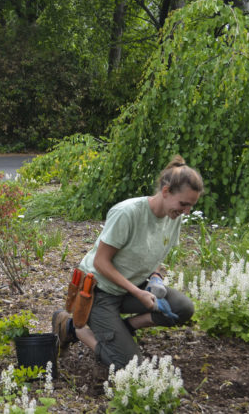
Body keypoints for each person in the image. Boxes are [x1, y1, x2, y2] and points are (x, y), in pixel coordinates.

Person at [52, 155, 204, 370]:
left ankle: (121, 329)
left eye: (191, 206)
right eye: (183, 204)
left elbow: (156, 257)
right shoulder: (128, 213)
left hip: (130, 288)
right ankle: (72, 328)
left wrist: (155, 277)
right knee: (128, 366)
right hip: (99, 290)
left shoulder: (174, 217)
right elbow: (101, 262)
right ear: (166, 191)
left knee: (182, 308)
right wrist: (138, 292)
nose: (186, 211)